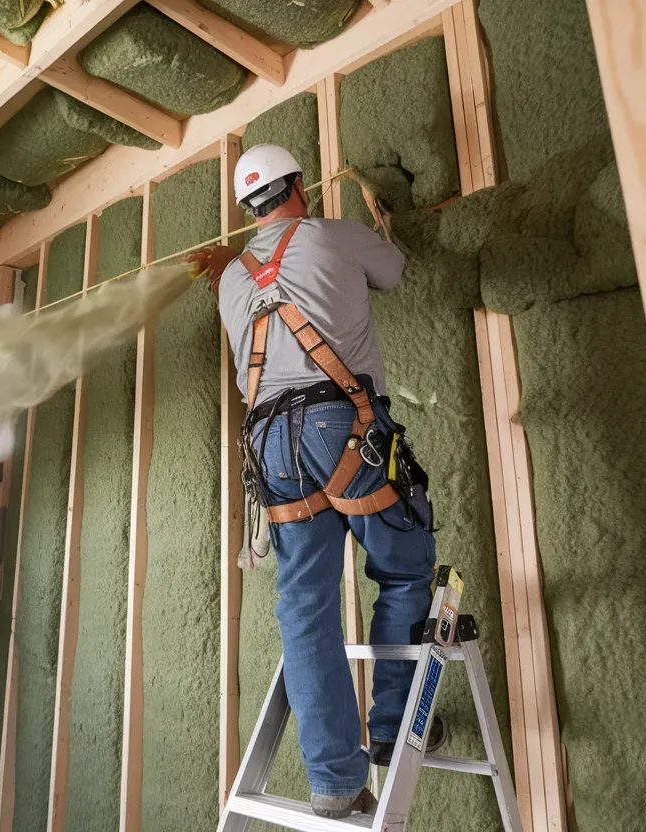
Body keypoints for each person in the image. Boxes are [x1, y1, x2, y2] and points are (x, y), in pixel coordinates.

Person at [186, 144, 445, 819]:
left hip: (272, 448)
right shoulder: (335, 234)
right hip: (343, 427)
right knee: (405, 568)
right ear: (299, 185)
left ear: (249, 208)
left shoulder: (230, 278)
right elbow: (394, 270)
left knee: (305, 609)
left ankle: (333, 782)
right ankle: (392, 728)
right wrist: (378, 224)